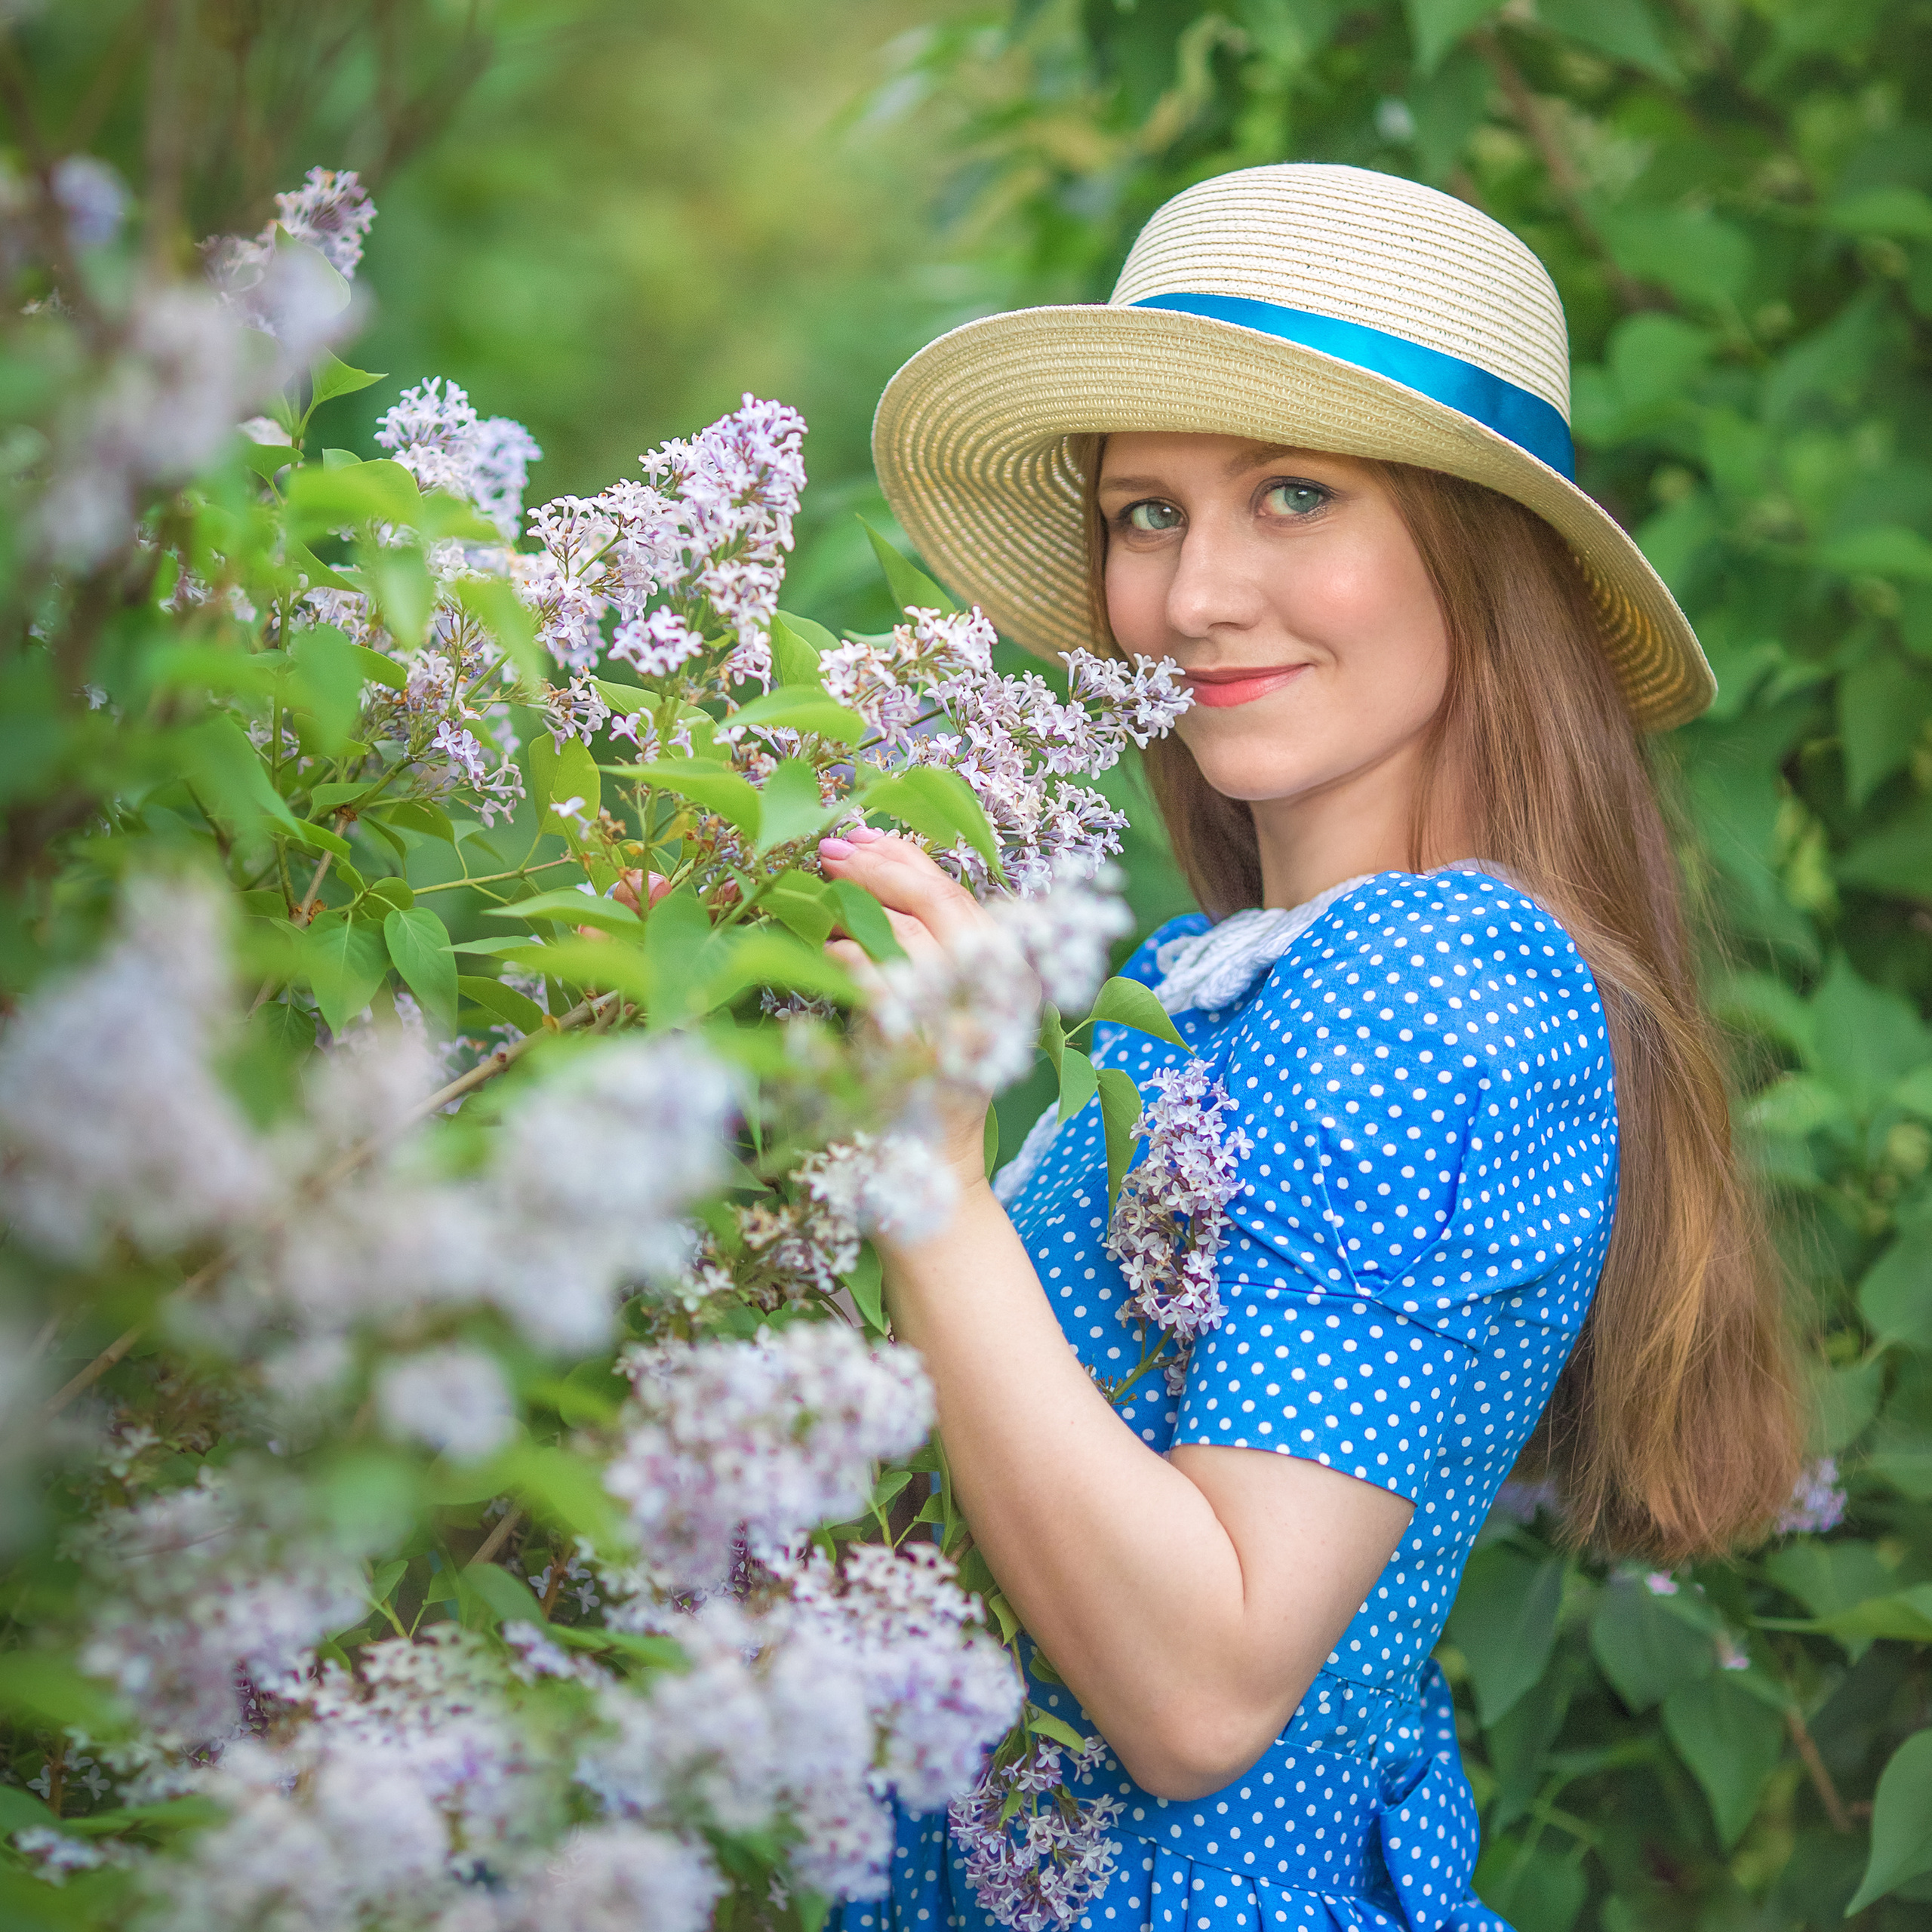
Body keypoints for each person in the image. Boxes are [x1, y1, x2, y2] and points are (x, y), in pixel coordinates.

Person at [818, 163, 1801, 1932]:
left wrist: (926, 1169)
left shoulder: (1434, 977)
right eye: (1143, 513)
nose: (1195, 594)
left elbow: (1202, 1685)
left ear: (1471, 549)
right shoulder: (1229, 973)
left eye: (1290, 494)